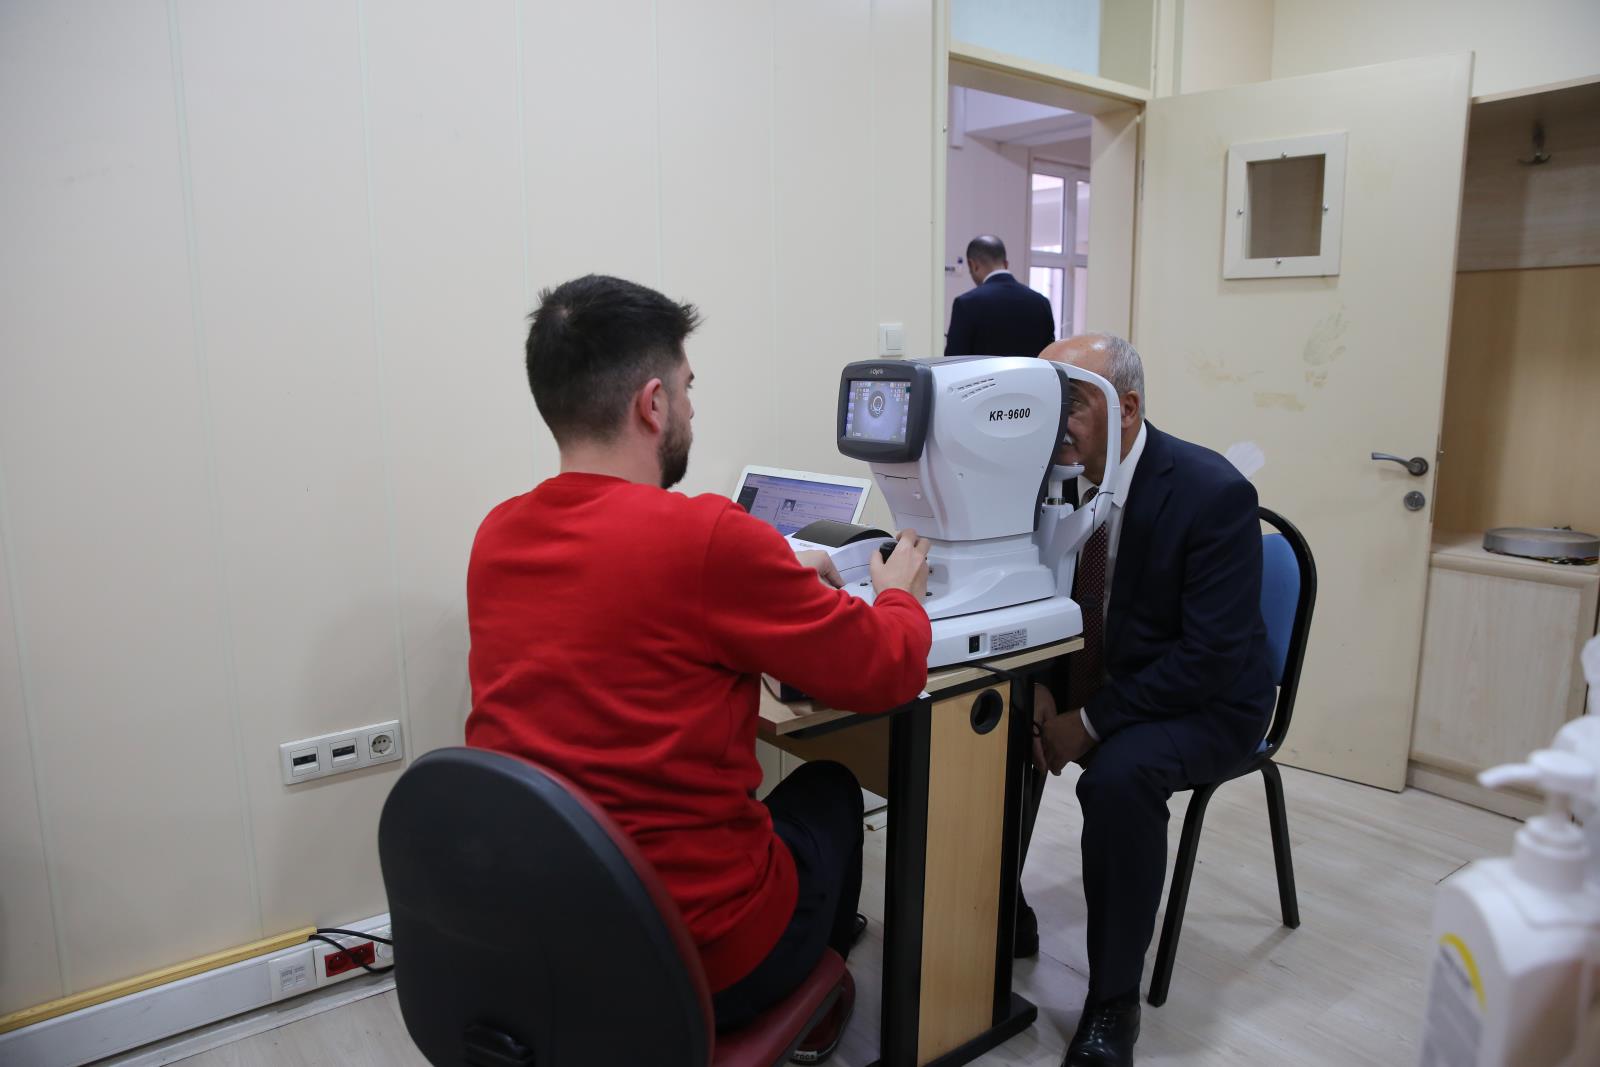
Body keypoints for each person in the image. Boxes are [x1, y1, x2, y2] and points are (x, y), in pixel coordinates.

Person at [465, 274, 932, 1064]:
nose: (690, 407)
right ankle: (812, 1009)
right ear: (653, 403)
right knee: (831, 789)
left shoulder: (497, 534)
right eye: (687, 387)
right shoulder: (707, 538)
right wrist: (898, 595)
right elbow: (886, 668)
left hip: (546, 935)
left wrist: (778, 579)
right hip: (700, 956)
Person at [1020, 333, 1276, 1067]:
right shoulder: (1051, 480)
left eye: (1070, 402)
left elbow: (1210, 654)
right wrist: (1038, 686)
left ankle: (1112, 1002)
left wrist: (1090, 721)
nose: (1053, 421)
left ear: (1126, 407)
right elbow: (1037, 593)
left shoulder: (1212, 492)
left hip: (1208, 699)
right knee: (989, 721)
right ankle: (1002, 908)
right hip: (1103, 673)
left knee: (1119, 778)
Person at [944, 234, 1057, 358]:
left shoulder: (966, 304)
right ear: (1006, 264)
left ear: (972, 265)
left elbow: (952, 361)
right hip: (1032, 372)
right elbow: (1050, 356)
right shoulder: (1041, 303)